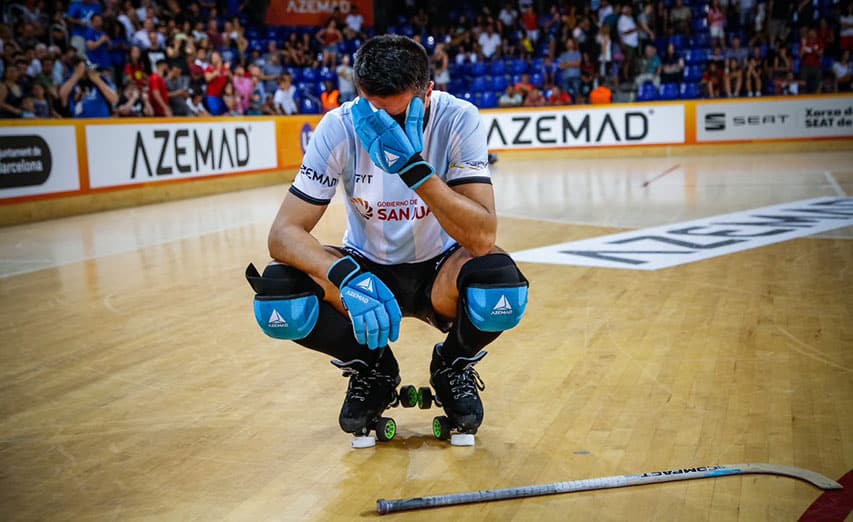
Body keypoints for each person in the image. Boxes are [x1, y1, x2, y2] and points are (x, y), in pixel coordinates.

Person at [246, 35, 529, 448]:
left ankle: (453, 364)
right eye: (372, 112)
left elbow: (482, 236)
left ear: (427, 92)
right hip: (366, 267)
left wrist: (414, 170)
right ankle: (372, 367)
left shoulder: (458, 117)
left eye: (397, 118)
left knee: (501, 286)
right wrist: (343, 274)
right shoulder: (340, 126)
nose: (382, 128)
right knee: (279, 298)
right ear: (359, 93)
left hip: (440, 270)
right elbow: (283, 234)